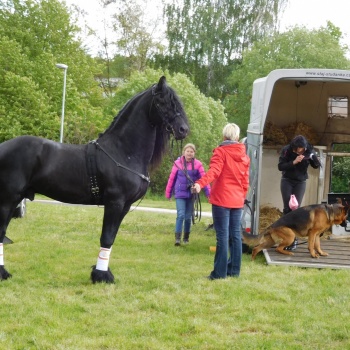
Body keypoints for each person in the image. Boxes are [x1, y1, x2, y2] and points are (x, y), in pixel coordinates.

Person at [193, 123, 250, 280]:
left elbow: (214, 172)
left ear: (224, 136)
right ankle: (234, 272)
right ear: (237, 137)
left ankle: (219, 274)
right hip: (237, 200)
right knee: (236, 236)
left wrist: (199, 183)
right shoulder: (244, 156)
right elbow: (245, 180)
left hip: (222, 200)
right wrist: (242, 195)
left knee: (223, 237)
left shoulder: (221, 152)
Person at [278, 135, 321, 250]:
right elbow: (280, 167)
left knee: (296, 209)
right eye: (299, 148)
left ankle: (294, 239)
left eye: (303, 148)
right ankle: (286, 237)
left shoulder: (308, 150)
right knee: (287, 208)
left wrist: (315, 160)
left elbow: (315, 166)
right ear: (295, 146)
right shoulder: (287, 150)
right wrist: (294, 162)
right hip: (287, 180)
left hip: (300, 182)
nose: (301, 150)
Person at [165, 143, 210, 246]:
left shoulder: (198, 164)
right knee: (180, 215)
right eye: (187, 151)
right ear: (184, 152)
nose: (189, 153)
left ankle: (186, 238)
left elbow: (204, 179)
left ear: (194, 153)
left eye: (191, 151)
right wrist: (168, 193)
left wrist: (208, 193)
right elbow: (171, 179)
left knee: (188, 217)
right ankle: (177, 239)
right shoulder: (177, 163)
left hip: (191, 194)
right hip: (180, 193)